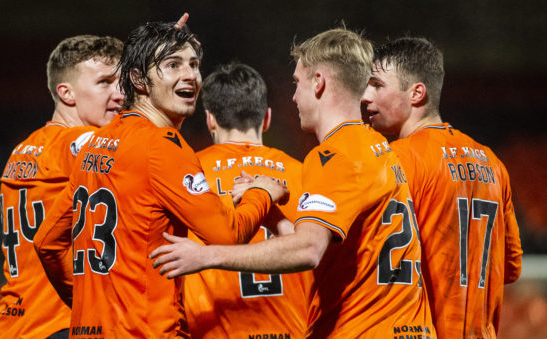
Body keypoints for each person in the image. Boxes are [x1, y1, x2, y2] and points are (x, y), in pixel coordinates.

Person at [151, 27, 435, 338]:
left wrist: (207, 256)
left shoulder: (334, 155)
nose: (294, 96)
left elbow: (308, 249)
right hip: (404, 326)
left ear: (318, 82)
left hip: (366, 330)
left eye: (297, 83)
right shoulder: (376, 147)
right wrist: (272, 213)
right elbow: (331, 252)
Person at [33, 22, 288, 338]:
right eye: (173, 64)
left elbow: (47, 242)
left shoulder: (95, 144)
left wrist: (88, 304)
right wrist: (262, 192)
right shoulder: (162, 146)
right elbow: (227, 236)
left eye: (194, 64)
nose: (191, 75)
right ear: (139, 79)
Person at [360, 37, 523, 338]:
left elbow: (375, 265)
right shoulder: (494, 163)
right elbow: (511, 267)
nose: (365, 96)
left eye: (377, 85)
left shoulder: (396, 160)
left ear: (416, 93)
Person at [0, 34, 125, 339]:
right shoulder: (74, 144)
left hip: (13, 322)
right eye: (104, 82)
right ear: (67, 93)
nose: (120, 95)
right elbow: (110, 147)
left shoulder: (25, 148)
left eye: (121, 83)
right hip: (58, 323)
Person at [184, 62, 310, 338]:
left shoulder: (189, 174)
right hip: (293, 329)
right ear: (266, 118)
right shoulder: (304, 173)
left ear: (210, 120)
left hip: (213, 331)